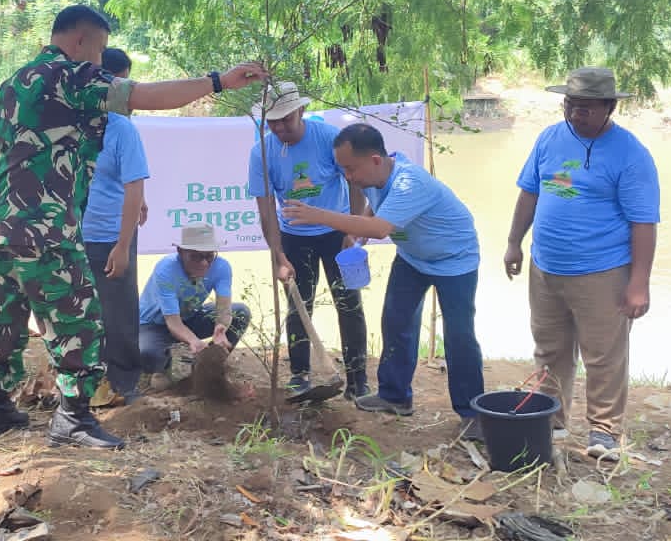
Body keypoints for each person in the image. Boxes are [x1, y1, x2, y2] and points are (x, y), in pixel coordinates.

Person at [0, 4, 266, 450]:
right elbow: (146, 96)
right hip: (45, 223)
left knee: (5, 318)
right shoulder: (69, 75)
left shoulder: (13, 83)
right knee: (79, 320)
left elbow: (3, 146)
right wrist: (218, 82)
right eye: (99, 49)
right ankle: (72, 418)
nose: (99, 60)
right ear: (79, 41)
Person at [284, 123, 486, 440]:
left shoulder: (410, 182)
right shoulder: (372, 177)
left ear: (376, 160)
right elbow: (371, 210)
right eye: (343, 169)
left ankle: (472, 412)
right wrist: (354, 233)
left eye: (351, 169)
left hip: (453, 260)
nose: (348, 177)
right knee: (395, 320)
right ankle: (395, 395)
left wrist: (320, 215)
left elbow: (380, 229)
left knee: (459, 337)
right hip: (412, 257)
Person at [503, 66, 659, 457]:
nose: (576, 114)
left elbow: (644, 222)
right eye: (570, 105)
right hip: (546, 267)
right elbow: (529, 193)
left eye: (587, 108)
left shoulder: (630, 154)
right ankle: (552, 419)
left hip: (602, 272)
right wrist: (513, 243)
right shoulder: (549, 138)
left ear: (609, 108)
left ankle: (604, 431)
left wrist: (639, 284)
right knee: (550, 349)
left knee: (604, 354)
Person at [247, 82, 369, 399]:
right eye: (272, 121)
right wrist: (277, 254)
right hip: (294, 236)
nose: (279, 127)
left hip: (337, 233)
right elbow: (266, 210)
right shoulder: (261, 151)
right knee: (298, 306)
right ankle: (300, 374)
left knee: (349, 303)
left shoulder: (328, 138)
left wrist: (352, 229)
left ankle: (358, 379)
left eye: (286, 119)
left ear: (301, 111)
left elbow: (355, 181)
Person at [83, 48, 150, 405]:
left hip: (110, 233)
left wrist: (123, 245)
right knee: (79, 311)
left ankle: (124, 383)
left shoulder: (122, 127)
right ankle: (81, 382)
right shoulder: (71, 123)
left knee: (120, 310)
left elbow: (134, 182)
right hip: (72, 233)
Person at [137, 223, 251, 386]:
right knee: (146, 352)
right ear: (180, 252)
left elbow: (224, 307)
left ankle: (211, 366)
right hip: (154, 325)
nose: (204, 263)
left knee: (240, 312)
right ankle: (177, 368)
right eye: (196, 257)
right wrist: (194, 341)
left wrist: (222, 327)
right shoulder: (166, 269)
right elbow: (173, 323)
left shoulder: (222, 267)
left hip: (189, 317)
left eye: (209, 256)